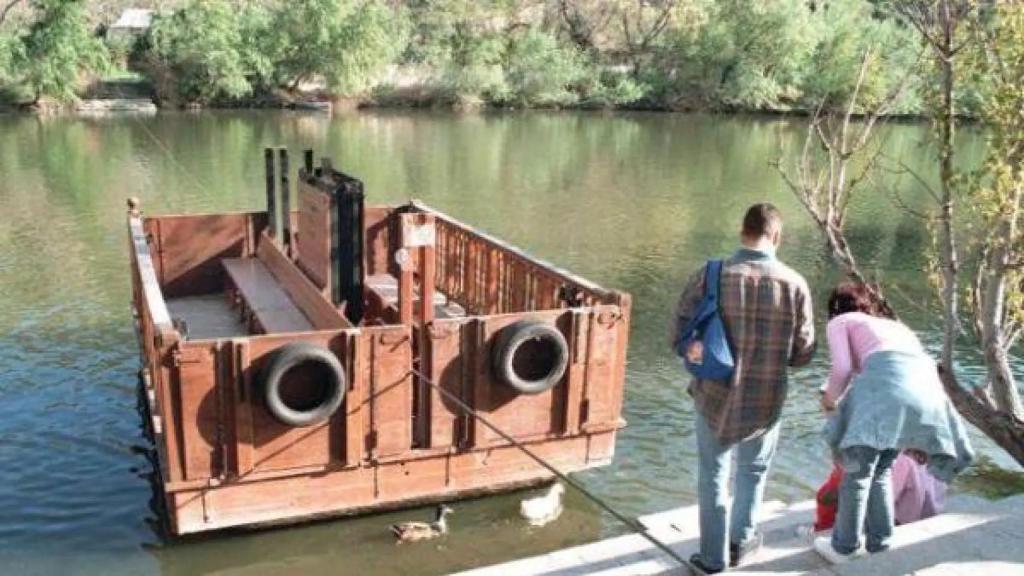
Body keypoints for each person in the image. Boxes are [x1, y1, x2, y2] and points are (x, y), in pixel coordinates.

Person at [671, 203, 816, 574]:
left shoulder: (711, 274)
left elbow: (678, 335)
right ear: (777, 236)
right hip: (767, 400)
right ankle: (742, 544)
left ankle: (713, 559)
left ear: (742, 231)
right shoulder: (796, 284)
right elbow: (803, 355)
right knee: (753, 472)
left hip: (713, 395)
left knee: (713, 476)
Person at [813, 282, 974, 564]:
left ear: (834, 308)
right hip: (926, 390)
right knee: (882, 469)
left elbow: (842, 369)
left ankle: (844, 547)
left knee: (857, 470)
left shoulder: (841, 320)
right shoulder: (894, 327)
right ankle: (881, 543)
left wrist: (829, 402)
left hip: (890, 388)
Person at [813, 450, 946, 533]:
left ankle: (825, 531)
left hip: (902, 522)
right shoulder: (933, 450)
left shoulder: (901, 461)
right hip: (929, 512)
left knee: (828, 494)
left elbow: (881, 501)